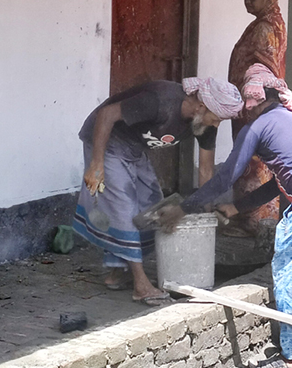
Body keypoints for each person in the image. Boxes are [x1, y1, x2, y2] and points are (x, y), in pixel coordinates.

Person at [159, 67, 292, 368]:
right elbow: (277, 182)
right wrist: (237, 207)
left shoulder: (260, 125)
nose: (245, 110)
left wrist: (184, 208)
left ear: (259, 101)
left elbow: (227, 174)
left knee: (290, 272)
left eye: (248, 102)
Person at [72, 77, 242, 305]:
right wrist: (97, 163)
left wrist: (205, 214)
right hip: (106, 140)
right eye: (218, 119)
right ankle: (141, 285)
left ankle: (117, 272)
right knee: (122, 207)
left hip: (134, 147)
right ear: (201, 106)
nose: (216, 125)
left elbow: (206, 171)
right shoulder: (160, 101)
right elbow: (107, 115)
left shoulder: (206, 121)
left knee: (151, 204)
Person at [223, 0, 288, 234]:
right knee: (249, 160)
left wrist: (256, 107)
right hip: (248, 108)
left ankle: (256, 220)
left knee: (253, 163)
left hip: (255, 109)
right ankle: (252, 217)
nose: (248, 1)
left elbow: (266, 72)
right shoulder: (266, 23)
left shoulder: (264, 28)